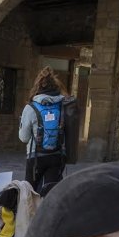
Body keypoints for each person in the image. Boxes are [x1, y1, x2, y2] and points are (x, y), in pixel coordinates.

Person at [18, 66, 76, 195]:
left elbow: (24, 138)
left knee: (30, 193)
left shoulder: (30, 107)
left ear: (37, 86)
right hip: (57, 155)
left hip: (35, 157)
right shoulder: (63, 104)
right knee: (51, 193)